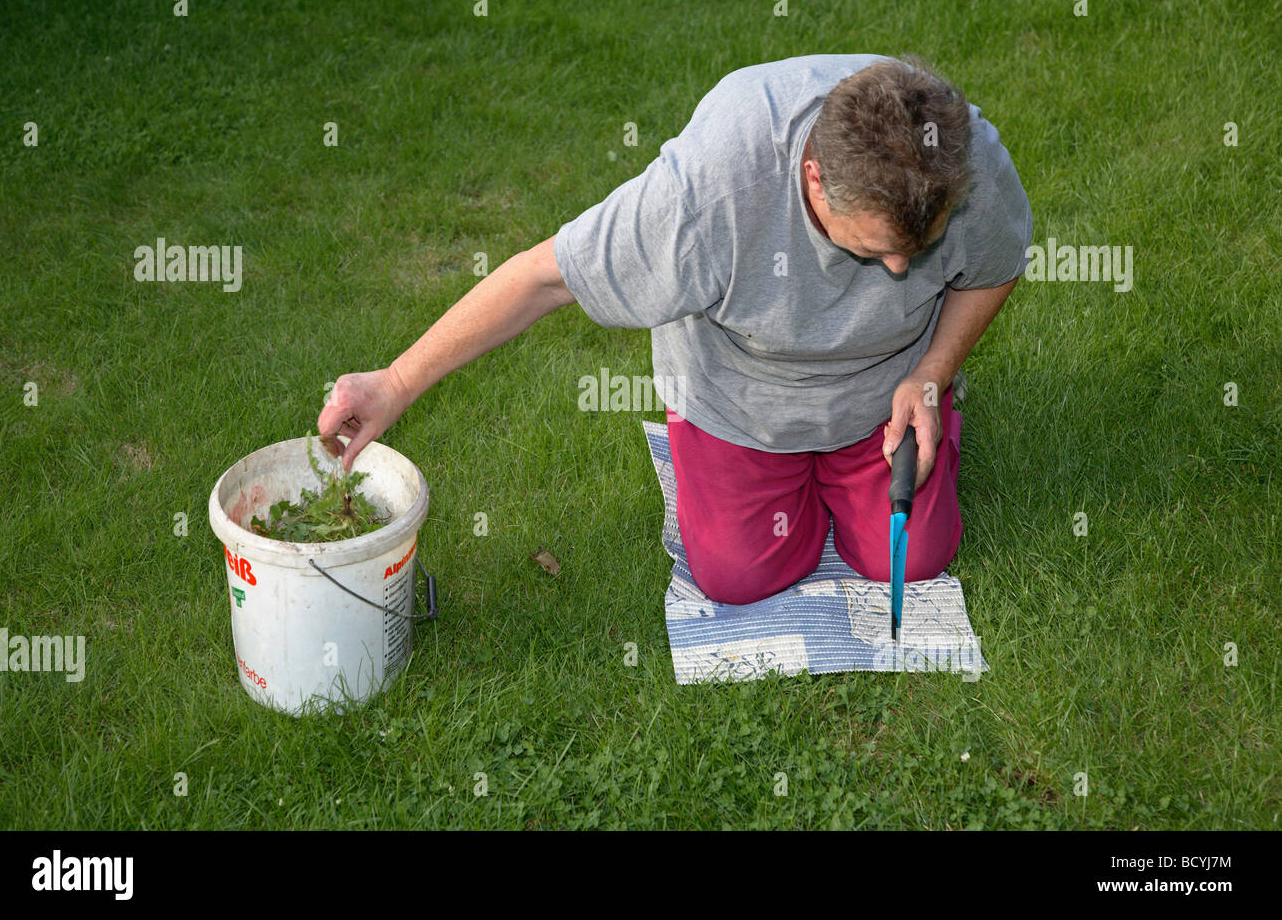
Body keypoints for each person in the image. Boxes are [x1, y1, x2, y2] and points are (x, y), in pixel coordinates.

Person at [318, 53, 1032, 605]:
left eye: (922, 244)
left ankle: (849, 477)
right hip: (741, 394)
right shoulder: (708, 194)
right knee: (734, 576)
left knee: (910, 558)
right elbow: (545, 278)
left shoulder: (959, 158)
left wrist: (931, 375)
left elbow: (995, 267)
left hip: (887, 384)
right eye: (877, 249)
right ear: (814, 178)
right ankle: (783, 481)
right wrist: (397, 381)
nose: (905, 268)